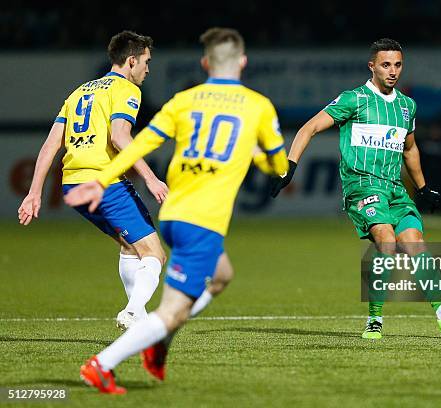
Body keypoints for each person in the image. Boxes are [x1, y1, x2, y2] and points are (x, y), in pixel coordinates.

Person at [64, 27, 288, 394]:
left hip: (174, 212)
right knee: (171, 310)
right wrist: (262, 157)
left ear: (205, 63)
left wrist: (102, 179)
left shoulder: (184, 101)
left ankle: (159, 340)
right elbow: (278, 164)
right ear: (243, 62)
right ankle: (102, 364)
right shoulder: (258, 105)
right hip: (202, 221)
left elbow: (141, 143)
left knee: (221, 275)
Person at [270, 38, 441, 339]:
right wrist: (291, 165)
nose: (392, 71)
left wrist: (422, 187)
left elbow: (410, 149)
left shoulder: (407, 106)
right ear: (372, 66)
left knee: (415, 242)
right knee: (387, 240)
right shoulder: (353, 99)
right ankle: (375, 320)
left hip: (395, 188)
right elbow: (309, 127)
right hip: (362, 185)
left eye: (397, 65)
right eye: (385, 65)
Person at [18, 31, 168, 330]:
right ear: (131, 60)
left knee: (129, 246)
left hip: (73, 184)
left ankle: (138, 322)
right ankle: (134, 312)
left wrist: (34, 192)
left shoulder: (79, 93)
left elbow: (51, 145)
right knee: (155, 254)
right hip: (104, 181)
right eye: (146, 62)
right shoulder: (126, 89)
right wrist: (150, 178)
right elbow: (120, 136)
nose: (148, 69)